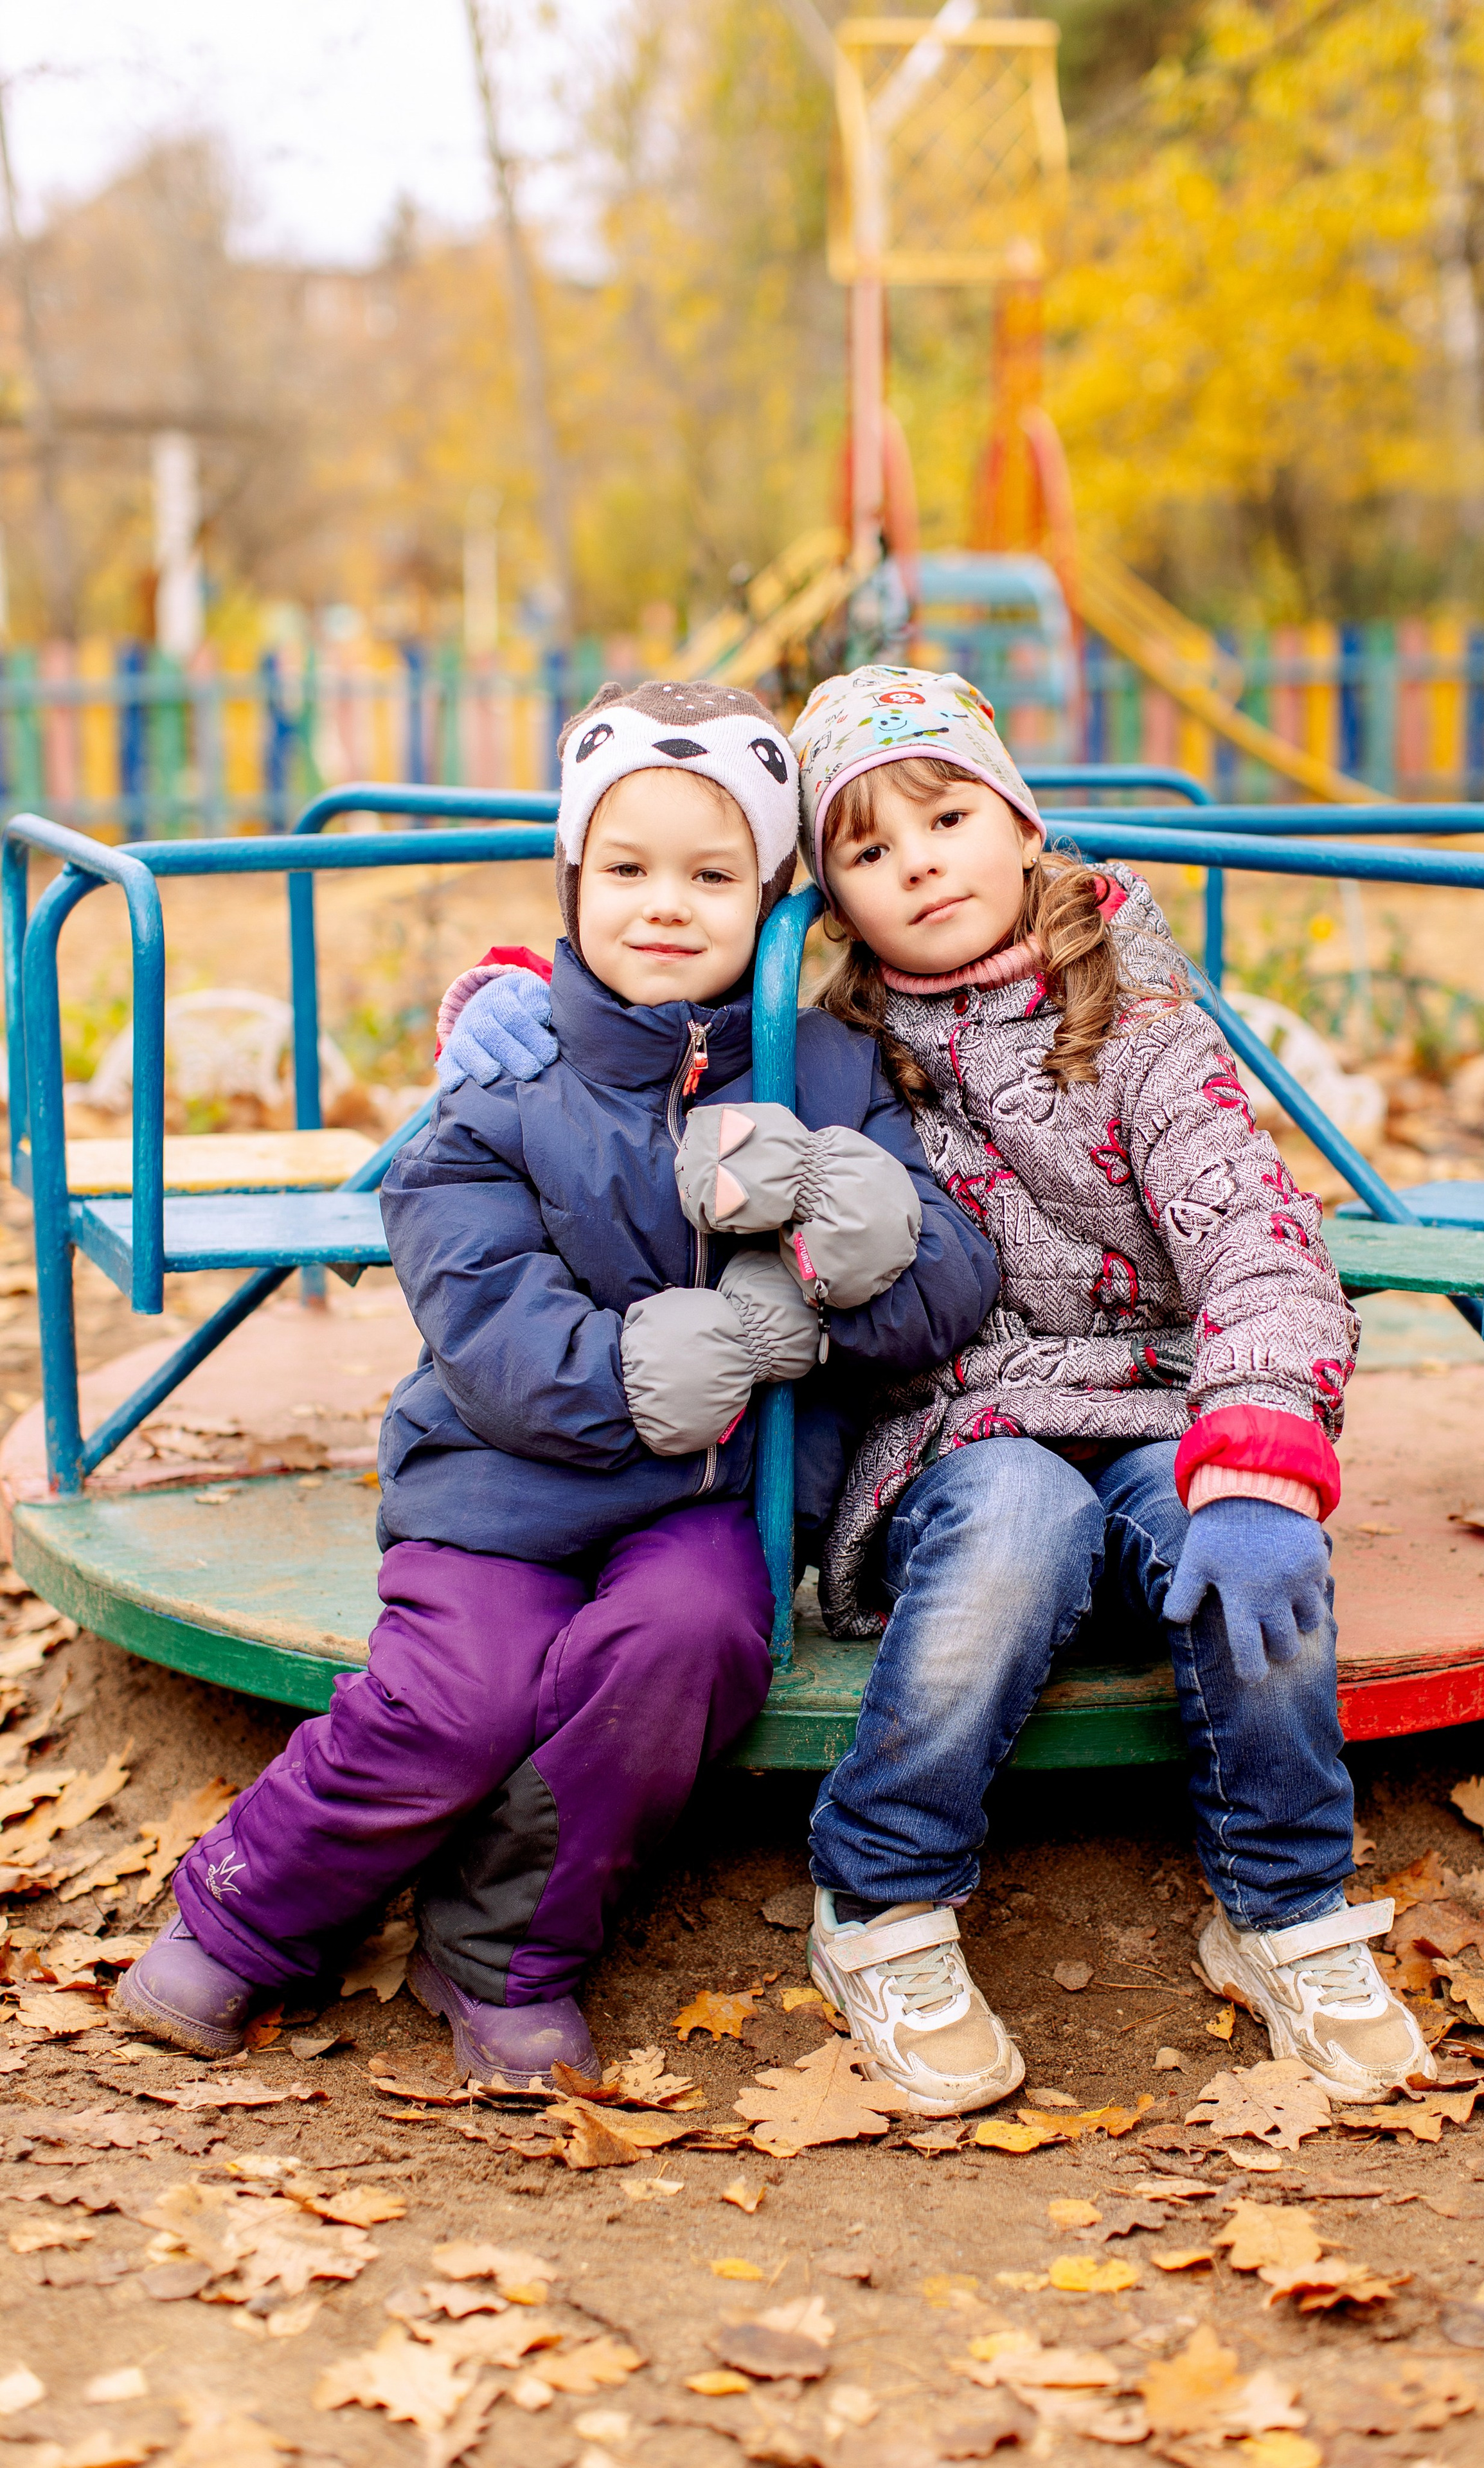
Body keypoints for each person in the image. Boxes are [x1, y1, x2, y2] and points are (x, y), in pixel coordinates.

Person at [438, 665, 1435, 2123]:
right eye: (865, 846)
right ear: (828, 899)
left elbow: (1255, 1235)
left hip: (1160, 1404)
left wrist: (1263, 1439)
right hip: (954, 1423)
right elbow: (653, 1020)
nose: (918, 861)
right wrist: (507, 1004)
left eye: (946, 815)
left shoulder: (1136, 1017)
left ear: (1020, 823)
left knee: (1256, 1561)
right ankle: (885, 1898)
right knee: (1016, 1523)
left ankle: (1282, 1907)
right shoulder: (830, 1040)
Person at [113, 681, 998, 2088]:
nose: (665, 905)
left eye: (712, 874)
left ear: (776, 896)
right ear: (572, 880)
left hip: (708, 1502)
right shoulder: (499, 1093)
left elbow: (951, 1282)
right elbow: (482, 1318)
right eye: (627, 869)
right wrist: (629, 1370)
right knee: (453, 1697)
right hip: (500, 1486)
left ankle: (501, 1948)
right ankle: (256, 1909)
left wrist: (842, 1240)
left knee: (689, 1647)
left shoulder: (825, 1071)